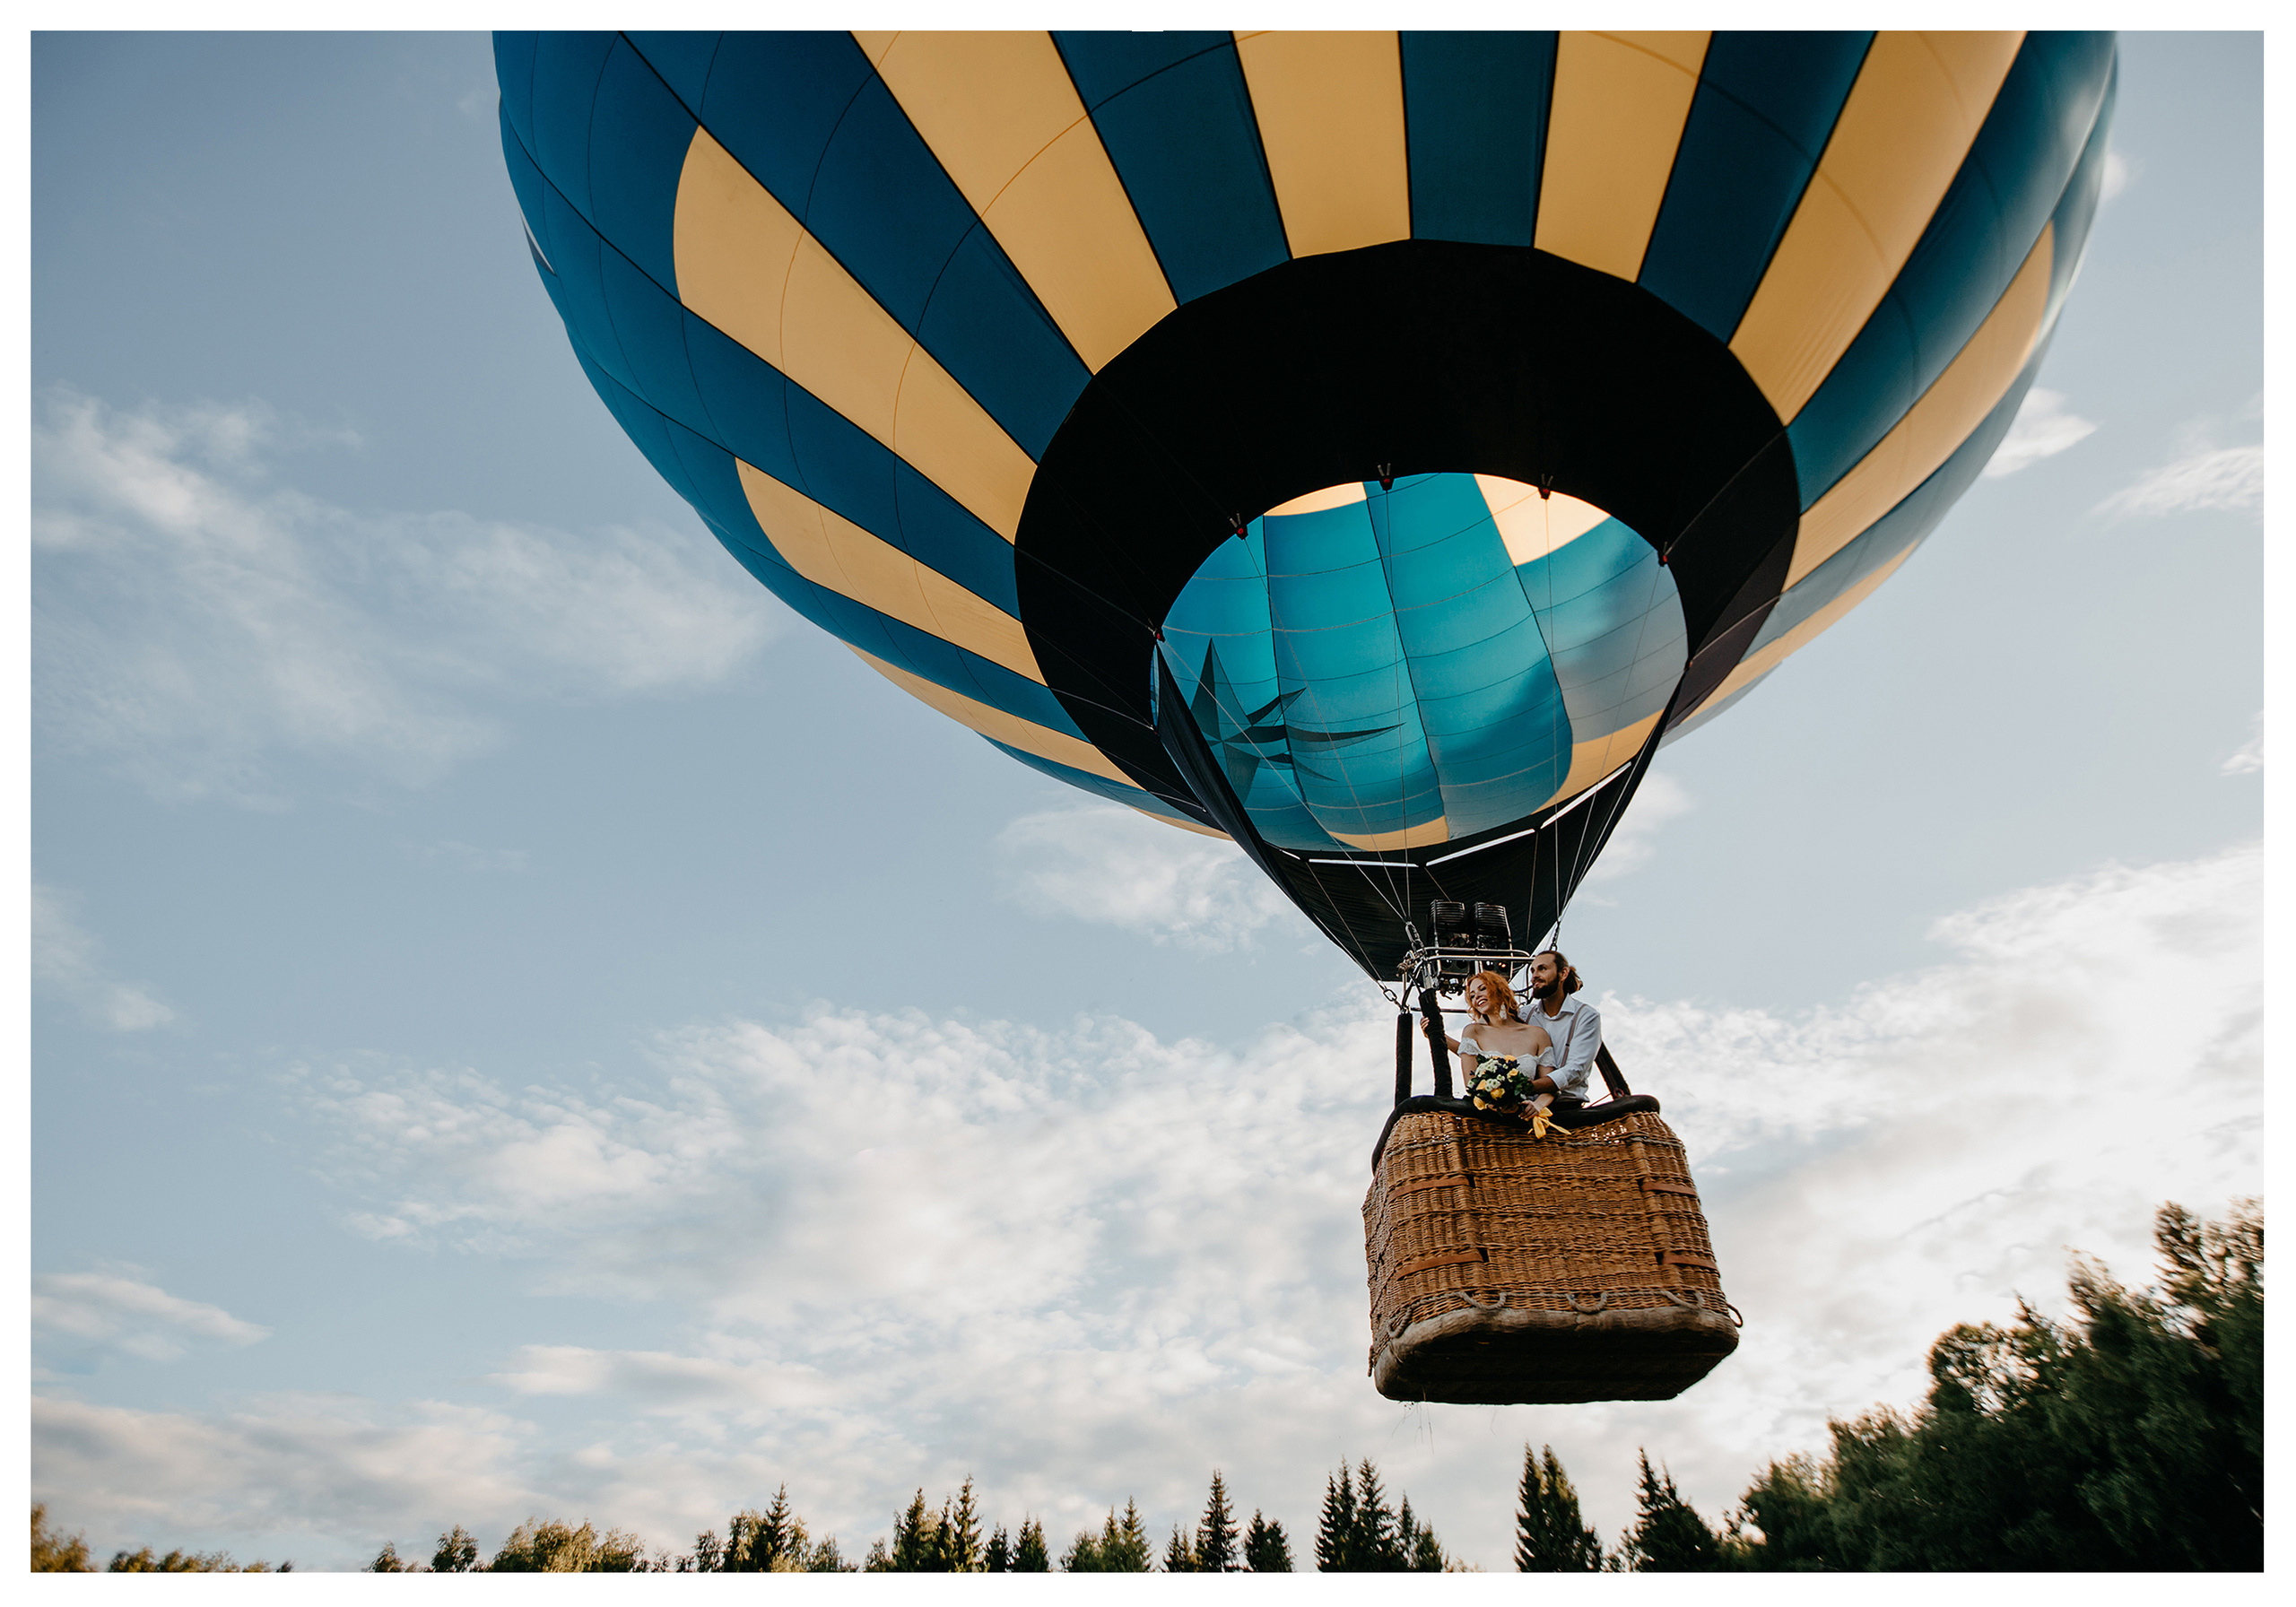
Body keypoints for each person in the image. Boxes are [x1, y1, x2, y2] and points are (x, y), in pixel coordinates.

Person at [1453, 970, 1555, 1113]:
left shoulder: (1538, 1034)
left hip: (1529, 1119)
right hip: (1491, 1122)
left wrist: (1537, 1105)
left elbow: (1551, 1086)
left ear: (1499, 989)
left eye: (1482, 989)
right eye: (1472, 996)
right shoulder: (1473, 1032)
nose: (1477, 997)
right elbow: (1472, 1086)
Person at [1521, 949, 1600, 1108]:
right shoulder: (1524, 1014)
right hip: (1523, 1109)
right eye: (1532, 970)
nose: (1534, 975)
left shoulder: (1586, 1015)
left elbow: (1576, 1069)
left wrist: (1528, 1087)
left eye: (1542, 968)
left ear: (1563, 973)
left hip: (1567, 1109)